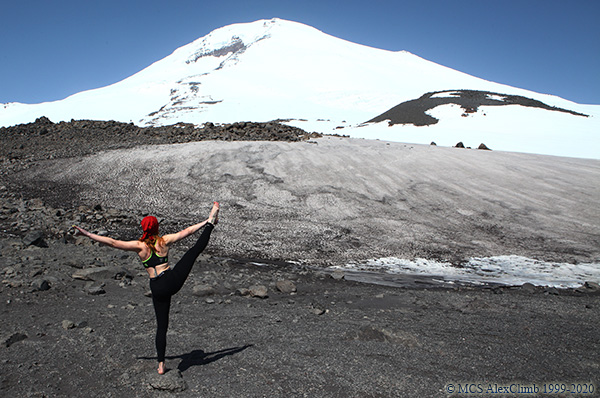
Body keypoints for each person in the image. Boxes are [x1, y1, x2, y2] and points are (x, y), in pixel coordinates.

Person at [73, 202, 220, 375]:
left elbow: (112, 242)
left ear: (143, 228)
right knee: (193, 252)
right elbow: (187, 232)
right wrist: (205, 222)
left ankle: (160, 364)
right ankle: (211, 222)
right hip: (171, 281)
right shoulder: (163, 240)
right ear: (156, 227)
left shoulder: (140, 246)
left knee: (162, 327)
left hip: (157, 287)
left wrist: (87, 233)